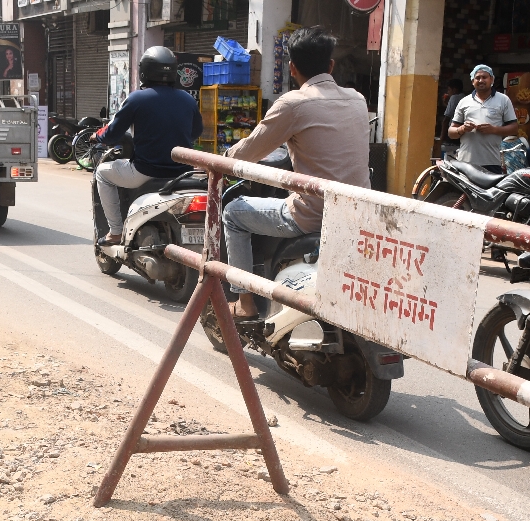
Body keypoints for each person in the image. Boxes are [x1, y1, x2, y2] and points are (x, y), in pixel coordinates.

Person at [222, 26, 369, 320]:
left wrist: (222, 160)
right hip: (356, 212)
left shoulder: (293, 104)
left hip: (311, 214)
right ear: (330, 65)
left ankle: (245, 303)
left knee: (233, 213)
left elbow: (249, 151)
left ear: (291, 67)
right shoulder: (357, 99)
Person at [91, 46, 203, 246]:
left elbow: (112, 134)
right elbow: (195, 132)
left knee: (102, 173)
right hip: (182, 173)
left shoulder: (136, 99)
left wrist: (97, 136)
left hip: (145, 171)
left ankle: (116, 232)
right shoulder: (188, 100)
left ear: (145, 71)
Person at [448, 65, 519, 173]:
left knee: (490, 191)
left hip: (492, 162)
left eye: (484, 77)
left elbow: (514, 128)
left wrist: (494, 129)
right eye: (477, 78)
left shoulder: (503, 100)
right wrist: (462, 129)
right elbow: (451, 132)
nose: (481, 80)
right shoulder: (464, 101)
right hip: (466, 162)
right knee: (465, 190)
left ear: (492, 80)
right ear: (472, 81)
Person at [440, 77, 464, 159]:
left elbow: (446, 119)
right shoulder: (465, 97)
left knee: (448, 159)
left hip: (452, 136)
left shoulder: (454, 97)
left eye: (449, 90)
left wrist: (441, 139)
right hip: (461, 136)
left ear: (454, 90)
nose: (448, 92)